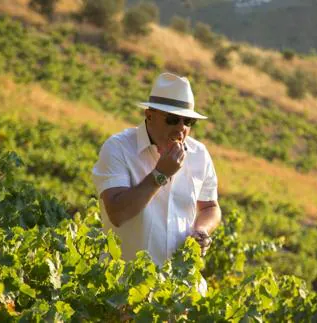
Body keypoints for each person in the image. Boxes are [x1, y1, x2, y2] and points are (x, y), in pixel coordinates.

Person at [91, 72, 222, 273]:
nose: (181, 128)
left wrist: (202, 230)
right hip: (124, 286)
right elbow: (118, 213)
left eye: (188, 122)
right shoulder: (118, 148)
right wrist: (160, 174)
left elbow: (209, 207)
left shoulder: (199, 154)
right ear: (149, 115)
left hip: (179, 289)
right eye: (172, 119)